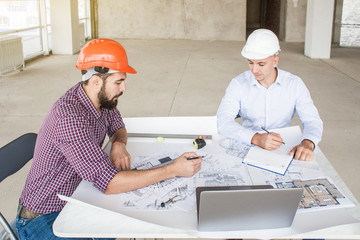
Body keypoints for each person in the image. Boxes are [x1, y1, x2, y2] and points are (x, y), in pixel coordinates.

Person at [16, 39, 202, 240]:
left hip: (76, 198)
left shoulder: (101, 100)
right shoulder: (69, 118)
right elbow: (110, 183)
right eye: (118, 82)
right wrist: (173, 169)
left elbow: (118, 127)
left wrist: (118, 143)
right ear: (96, 81)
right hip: (44, 218)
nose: (123, 89)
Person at [217, 29, 323, 161]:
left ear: (275, 61)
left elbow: (312, 120)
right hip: (248, 144)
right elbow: (222, 121)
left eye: (261, 64)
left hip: (283, 148)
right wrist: (256, 138)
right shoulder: (238, 84)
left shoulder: (294, 84)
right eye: (250, 62)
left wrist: (308, 143)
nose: (254, 70)